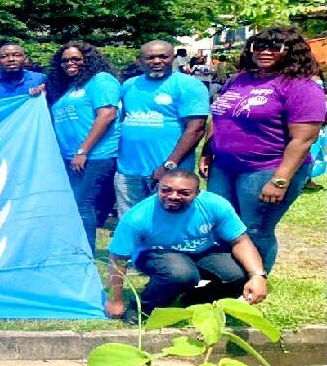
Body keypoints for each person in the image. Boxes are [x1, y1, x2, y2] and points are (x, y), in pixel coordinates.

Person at [201, 27, 326, 271]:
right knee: (222, 224)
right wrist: (208, 151)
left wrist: (280, 180)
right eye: (258, 46)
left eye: (274, 47)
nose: (264, 52)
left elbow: (303, 138)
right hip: (225, 166)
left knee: (254, 228)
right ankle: (227, 278)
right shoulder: (239, 79)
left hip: (266, 169)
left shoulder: (301, 87)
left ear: (291, 51)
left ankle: (254, 282)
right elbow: (219, 117)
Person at [105, 170, 269, 323]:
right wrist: (115, 300)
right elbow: (117, 259)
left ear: (197, 193)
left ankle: (195, 300)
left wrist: (257, 276)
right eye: (166, 190)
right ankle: (144, 308)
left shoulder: (215, 204)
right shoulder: (137, 217)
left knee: (239, 273)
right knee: (181, 273)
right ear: (158, 188)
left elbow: (240, 241)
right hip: (156, 253)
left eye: (184, 193)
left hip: (202, 251)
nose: (173, 196)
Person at [114, 40, 209, 216]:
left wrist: (168, 166)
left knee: (169, 222)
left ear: (173, 58)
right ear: (140, 60)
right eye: (150, 57)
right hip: (128, 170)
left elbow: (196, 129)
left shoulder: (189, 85)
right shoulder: (129, 85)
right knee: (130, 221)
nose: (157, 61)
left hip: (169, 172)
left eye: (163, 56)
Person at [46, 41, 120, 252]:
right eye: (65, 60)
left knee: (82, 205)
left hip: (94, 155)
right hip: (72, 156)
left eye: (76, 59)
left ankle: (85, 252)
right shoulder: (70, 86)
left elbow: (107, 115)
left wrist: (83, 150)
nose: (70, 63)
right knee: (73, 204)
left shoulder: (101, 80)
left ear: (89, 60)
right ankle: (74, 248)